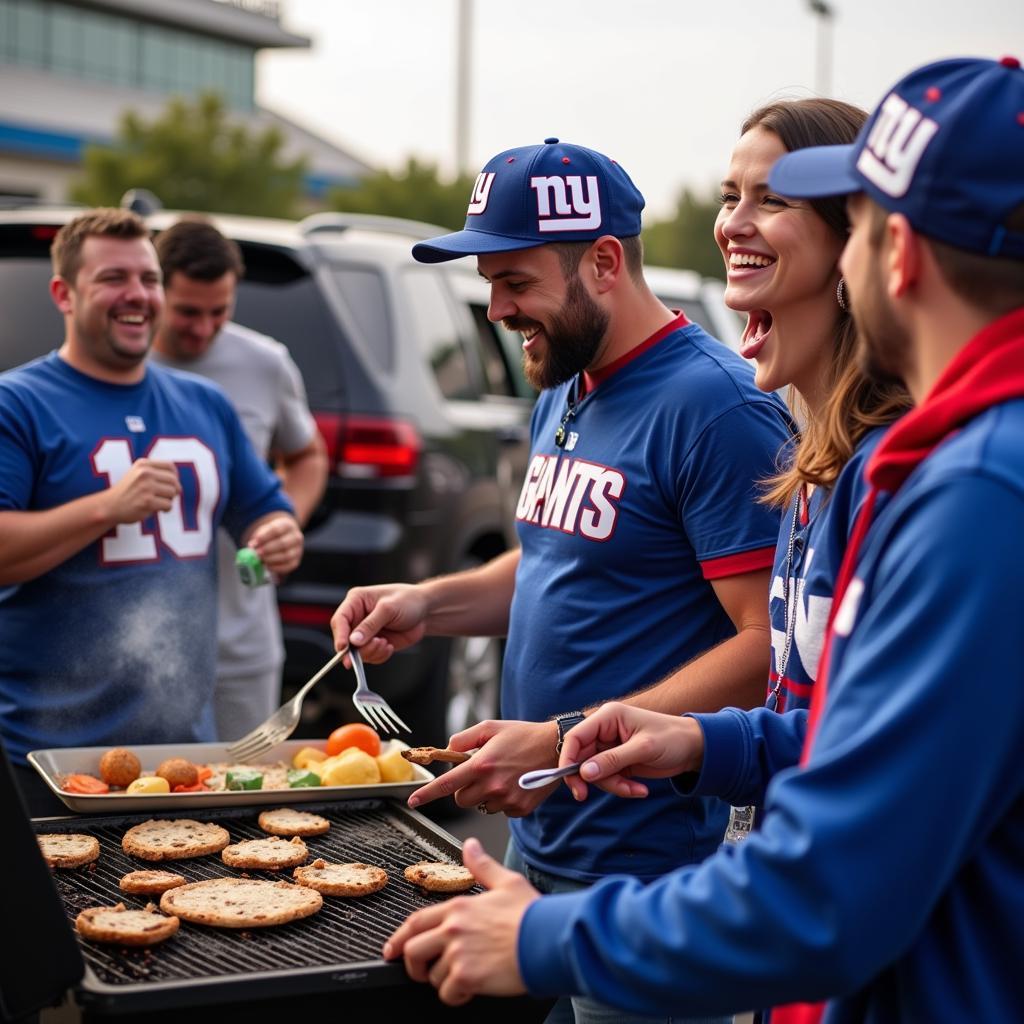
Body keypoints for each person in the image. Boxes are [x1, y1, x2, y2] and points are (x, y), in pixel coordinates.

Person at [382, 56, 1024, 1023]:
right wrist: (698, 741)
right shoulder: (902, 463)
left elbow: (834, 888)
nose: (734, 231)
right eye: (732, 198)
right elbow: (849, 736)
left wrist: (545, 937)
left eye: (821, 217)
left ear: (894, 254)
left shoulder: (976, 488)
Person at [333, 138, 792, 1024]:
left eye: (516, 283)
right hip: (537, 836)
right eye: (489, 283)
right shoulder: (565, 384)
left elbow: (765, 642)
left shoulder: (717, 407)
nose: (497, 309)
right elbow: (552, 557)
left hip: (645, 867)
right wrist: (428, 603)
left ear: (605, 263)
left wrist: (557, 738)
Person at [0, 208, 303, 815]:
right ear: (65, 292)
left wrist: (279, 534)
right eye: (114, 278)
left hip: (182, 753)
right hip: (46, 755)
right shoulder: (18, 402)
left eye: (149, 278)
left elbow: (264, 508)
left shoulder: (205, 403)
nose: (137, 294)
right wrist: (107, 507)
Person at [713, 99, 911, 845]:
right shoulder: (814, 461)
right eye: (731, 197)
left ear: (851, 248)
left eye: (773, 200)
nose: (733, 222)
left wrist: (703, 745)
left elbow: (878, 761)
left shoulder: (892, 470)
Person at [152, 218, 328, 741]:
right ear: (153, 290)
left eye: (219, 312)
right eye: (187, 311)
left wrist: (283, 521)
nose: (203, 329)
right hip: (140, 642)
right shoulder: (118, 363)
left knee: (243, 795)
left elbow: (306, 455)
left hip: (241, 637)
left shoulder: (264, 362)